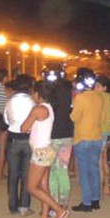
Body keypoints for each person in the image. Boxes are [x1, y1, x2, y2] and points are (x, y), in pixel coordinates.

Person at [21, 81, 70, 218]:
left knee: (31, 187)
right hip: (47, 149)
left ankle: (59, 210)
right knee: (44, 187)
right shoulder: (49, 108)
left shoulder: (38, 109)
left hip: (41, 152)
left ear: (37, 93)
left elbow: (23, 128)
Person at [71, 68, 105, 212]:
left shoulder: (80, 97)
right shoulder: (99, 96)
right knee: (94, 169)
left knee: (84, 172)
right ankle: (96, 200)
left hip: (82, 137)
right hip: (97, 137)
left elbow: (74, 117)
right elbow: (102, 118)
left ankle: (86, 202)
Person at [4, 75, 36, 216]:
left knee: (13, 174)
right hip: (28, 139)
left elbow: (6, 119)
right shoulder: (33, 101)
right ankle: (24, 206)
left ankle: (12, 206)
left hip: (13, 139)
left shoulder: (10, 101)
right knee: (26, 174)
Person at [48, 76, 74, 209]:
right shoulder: (69, 103)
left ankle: (54, 203)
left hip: (53, 137)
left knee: (53, 171)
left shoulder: (51, 105)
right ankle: (63, 202)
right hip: (67, 136)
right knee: (63, 170)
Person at [95, 76, 110, 195]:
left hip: (99, 132)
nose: (95, 88)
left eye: (98, 86)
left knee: (99, 161)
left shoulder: (98, 99)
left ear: (104, 88)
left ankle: (100, 189)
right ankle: (107, 187)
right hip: (109, 131)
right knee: (104, 159)